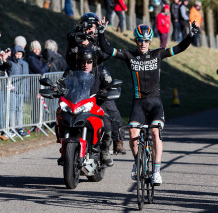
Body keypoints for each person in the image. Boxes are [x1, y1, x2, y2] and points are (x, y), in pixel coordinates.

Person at [97, 18, 199, 185]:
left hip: (155, 103)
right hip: (138, 103)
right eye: (139, 40)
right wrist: (101, 32)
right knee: (132, 133)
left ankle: (157, 171)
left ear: (150, 41)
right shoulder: (129, 55)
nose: (143, 44)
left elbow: (179, 48)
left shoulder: (157, 54)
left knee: (155, 133)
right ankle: (138, 163)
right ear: (136, 41)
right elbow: (108, 50)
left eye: (145, 41)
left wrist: (191, 35)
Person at [65, 12, 126, 155]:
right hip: (78, 78)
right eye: (87, 26)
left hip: (98, 76)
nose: (89, 29)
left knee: (112, 113)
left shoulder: (100, 38)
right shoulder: (75, 37)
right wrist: (80, 39)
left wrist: (92, 42)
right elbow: (69, 56)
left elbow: (106, 54)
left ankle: (117, 139)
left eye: (92, 26)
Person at [56, 47, 115, 166]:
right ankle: (64, 147)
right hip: (76, 103)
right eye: (83, 62)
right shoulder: (71, 71)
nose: (86, 64)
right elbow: (61, 83)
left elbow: (111, 84)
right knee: (60, 115)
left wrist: (108, 90)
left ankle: (104, 150)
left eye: (89, 62)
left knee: (107, 122)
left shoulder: (101, 70)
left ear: (93, 61)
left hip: (96, 104)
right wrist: (56, 88)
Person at [8, 45, 30, 137]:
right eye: (17, 54)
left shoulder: (25, 64)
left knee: (20, 108)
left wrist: (26, 91)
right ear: (14, 54)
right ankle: (12, 128)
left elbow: (26, 78)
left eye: (20, 54)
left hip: (21, 90)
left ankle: (20, 128)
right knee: (12, 108)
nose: (18, 56)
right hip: (12, 89)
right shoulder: (10, 63)